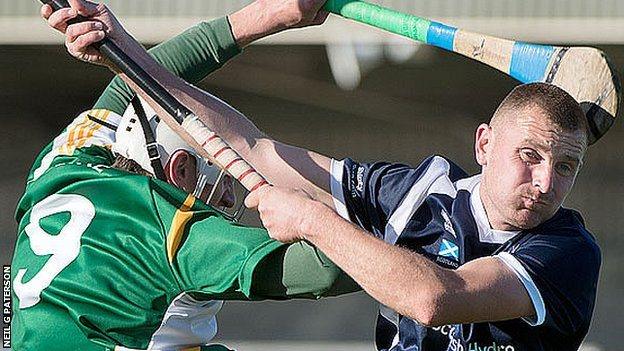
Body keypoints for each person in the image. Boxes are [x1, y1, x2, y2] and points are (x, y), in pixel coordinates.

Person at [50, 0, 601, 350]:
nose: (546, 182)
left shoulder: (567, 252)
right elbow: (255, 152)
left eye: (565, 166)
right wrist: (120, 50)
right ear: (484, 143)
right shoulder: (417, 196)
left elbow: (435, 299)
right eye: (529, 155)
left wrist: (122, 49)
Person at [11, 1, 355, 350]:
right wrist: (388, 208)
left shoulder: (62, 169)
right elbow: (323, 269)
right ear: (180, 168)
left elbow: (127, 87)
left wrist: (272, 14)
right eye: (226, 180)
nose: (231, 199)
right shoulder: (169, 230)